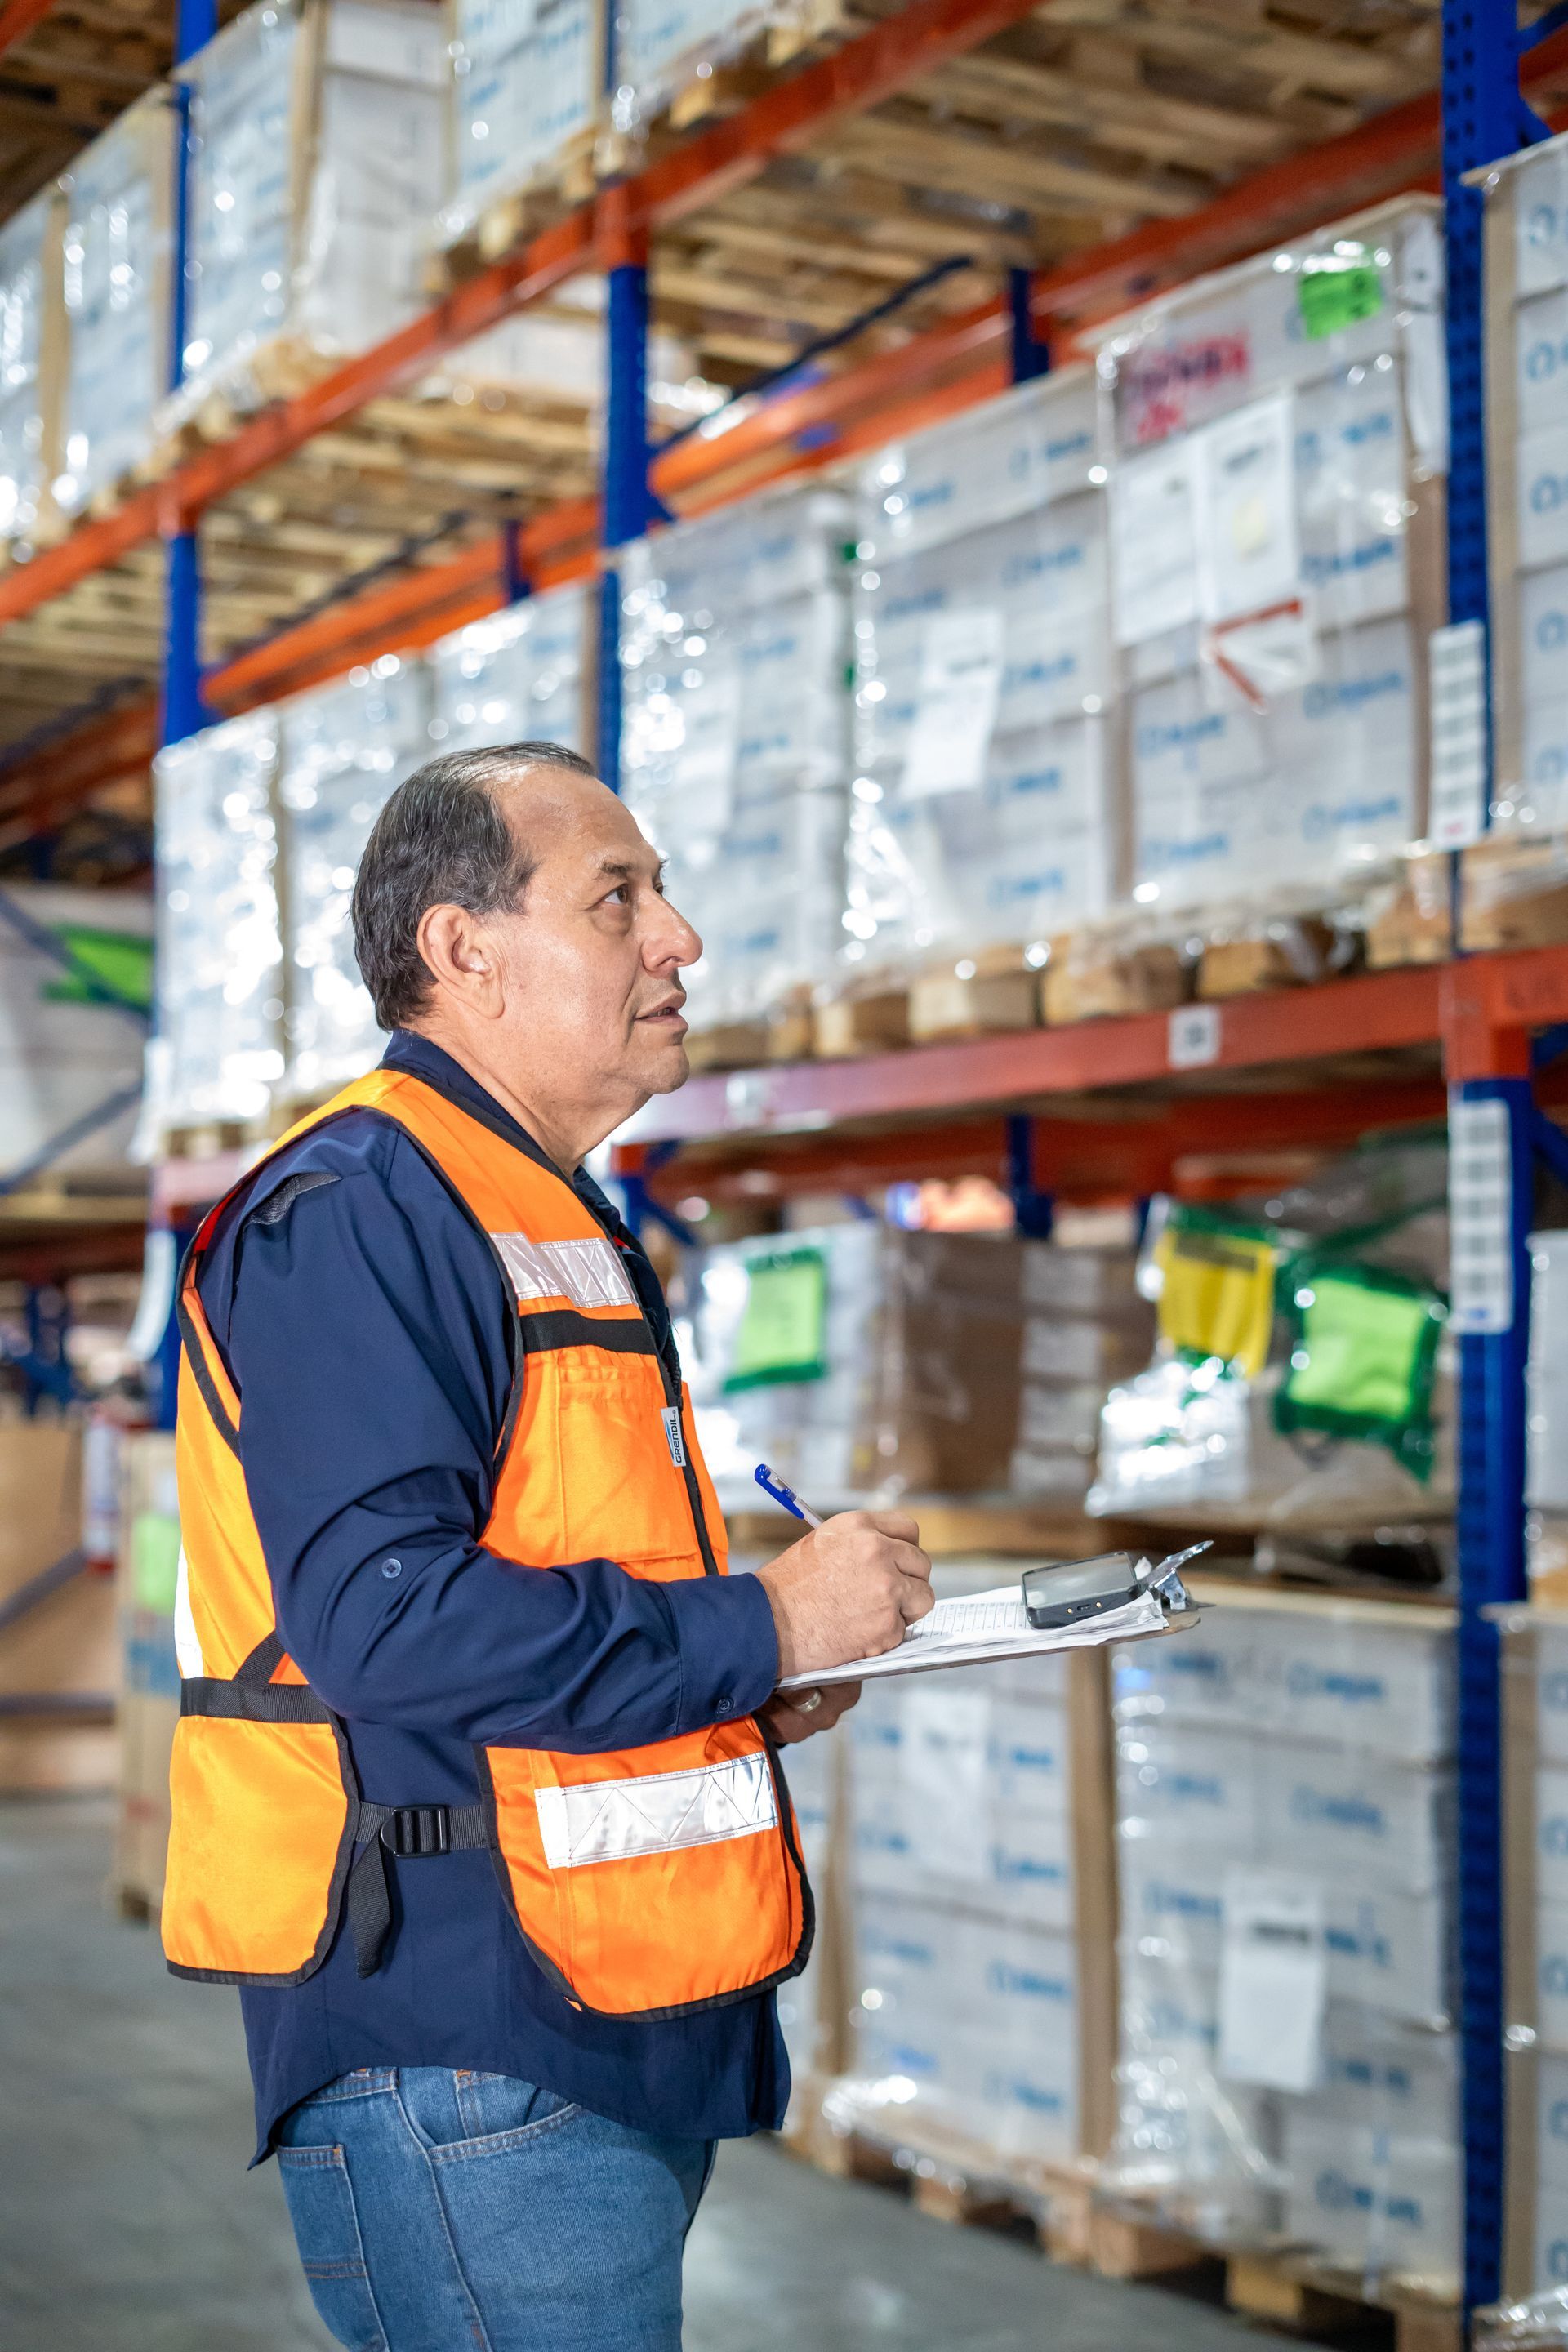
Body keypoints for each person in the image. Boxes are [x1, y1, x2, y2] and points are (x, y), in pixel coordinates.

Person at [162, 742, 934, 2352]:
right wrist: (759, 1632)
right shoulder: (361, 1208)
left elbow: (546, 1569)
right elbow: (389, 1623)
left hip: (597, 2021)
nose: (680, 940)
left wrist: (746, 1669)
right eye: (619, 897)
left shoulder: (543, 1210)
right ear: (463, 949)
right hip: (467, 2038)